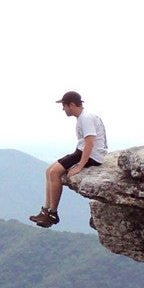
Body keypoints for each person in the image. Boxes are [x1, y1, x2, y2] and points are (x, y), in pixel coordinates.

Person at [30, 91, 106, 228]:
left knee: (54, 173)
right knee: (49, 170)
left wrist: (80, 166)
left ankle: (52, 213)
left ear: (71, 104)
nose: (63, 109)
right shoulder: (83, 117)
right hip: (82, 151)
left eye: (64, 106)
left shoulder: (86, 118)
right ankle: (46, 210)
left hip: (91, 156)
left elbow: (90, 142)